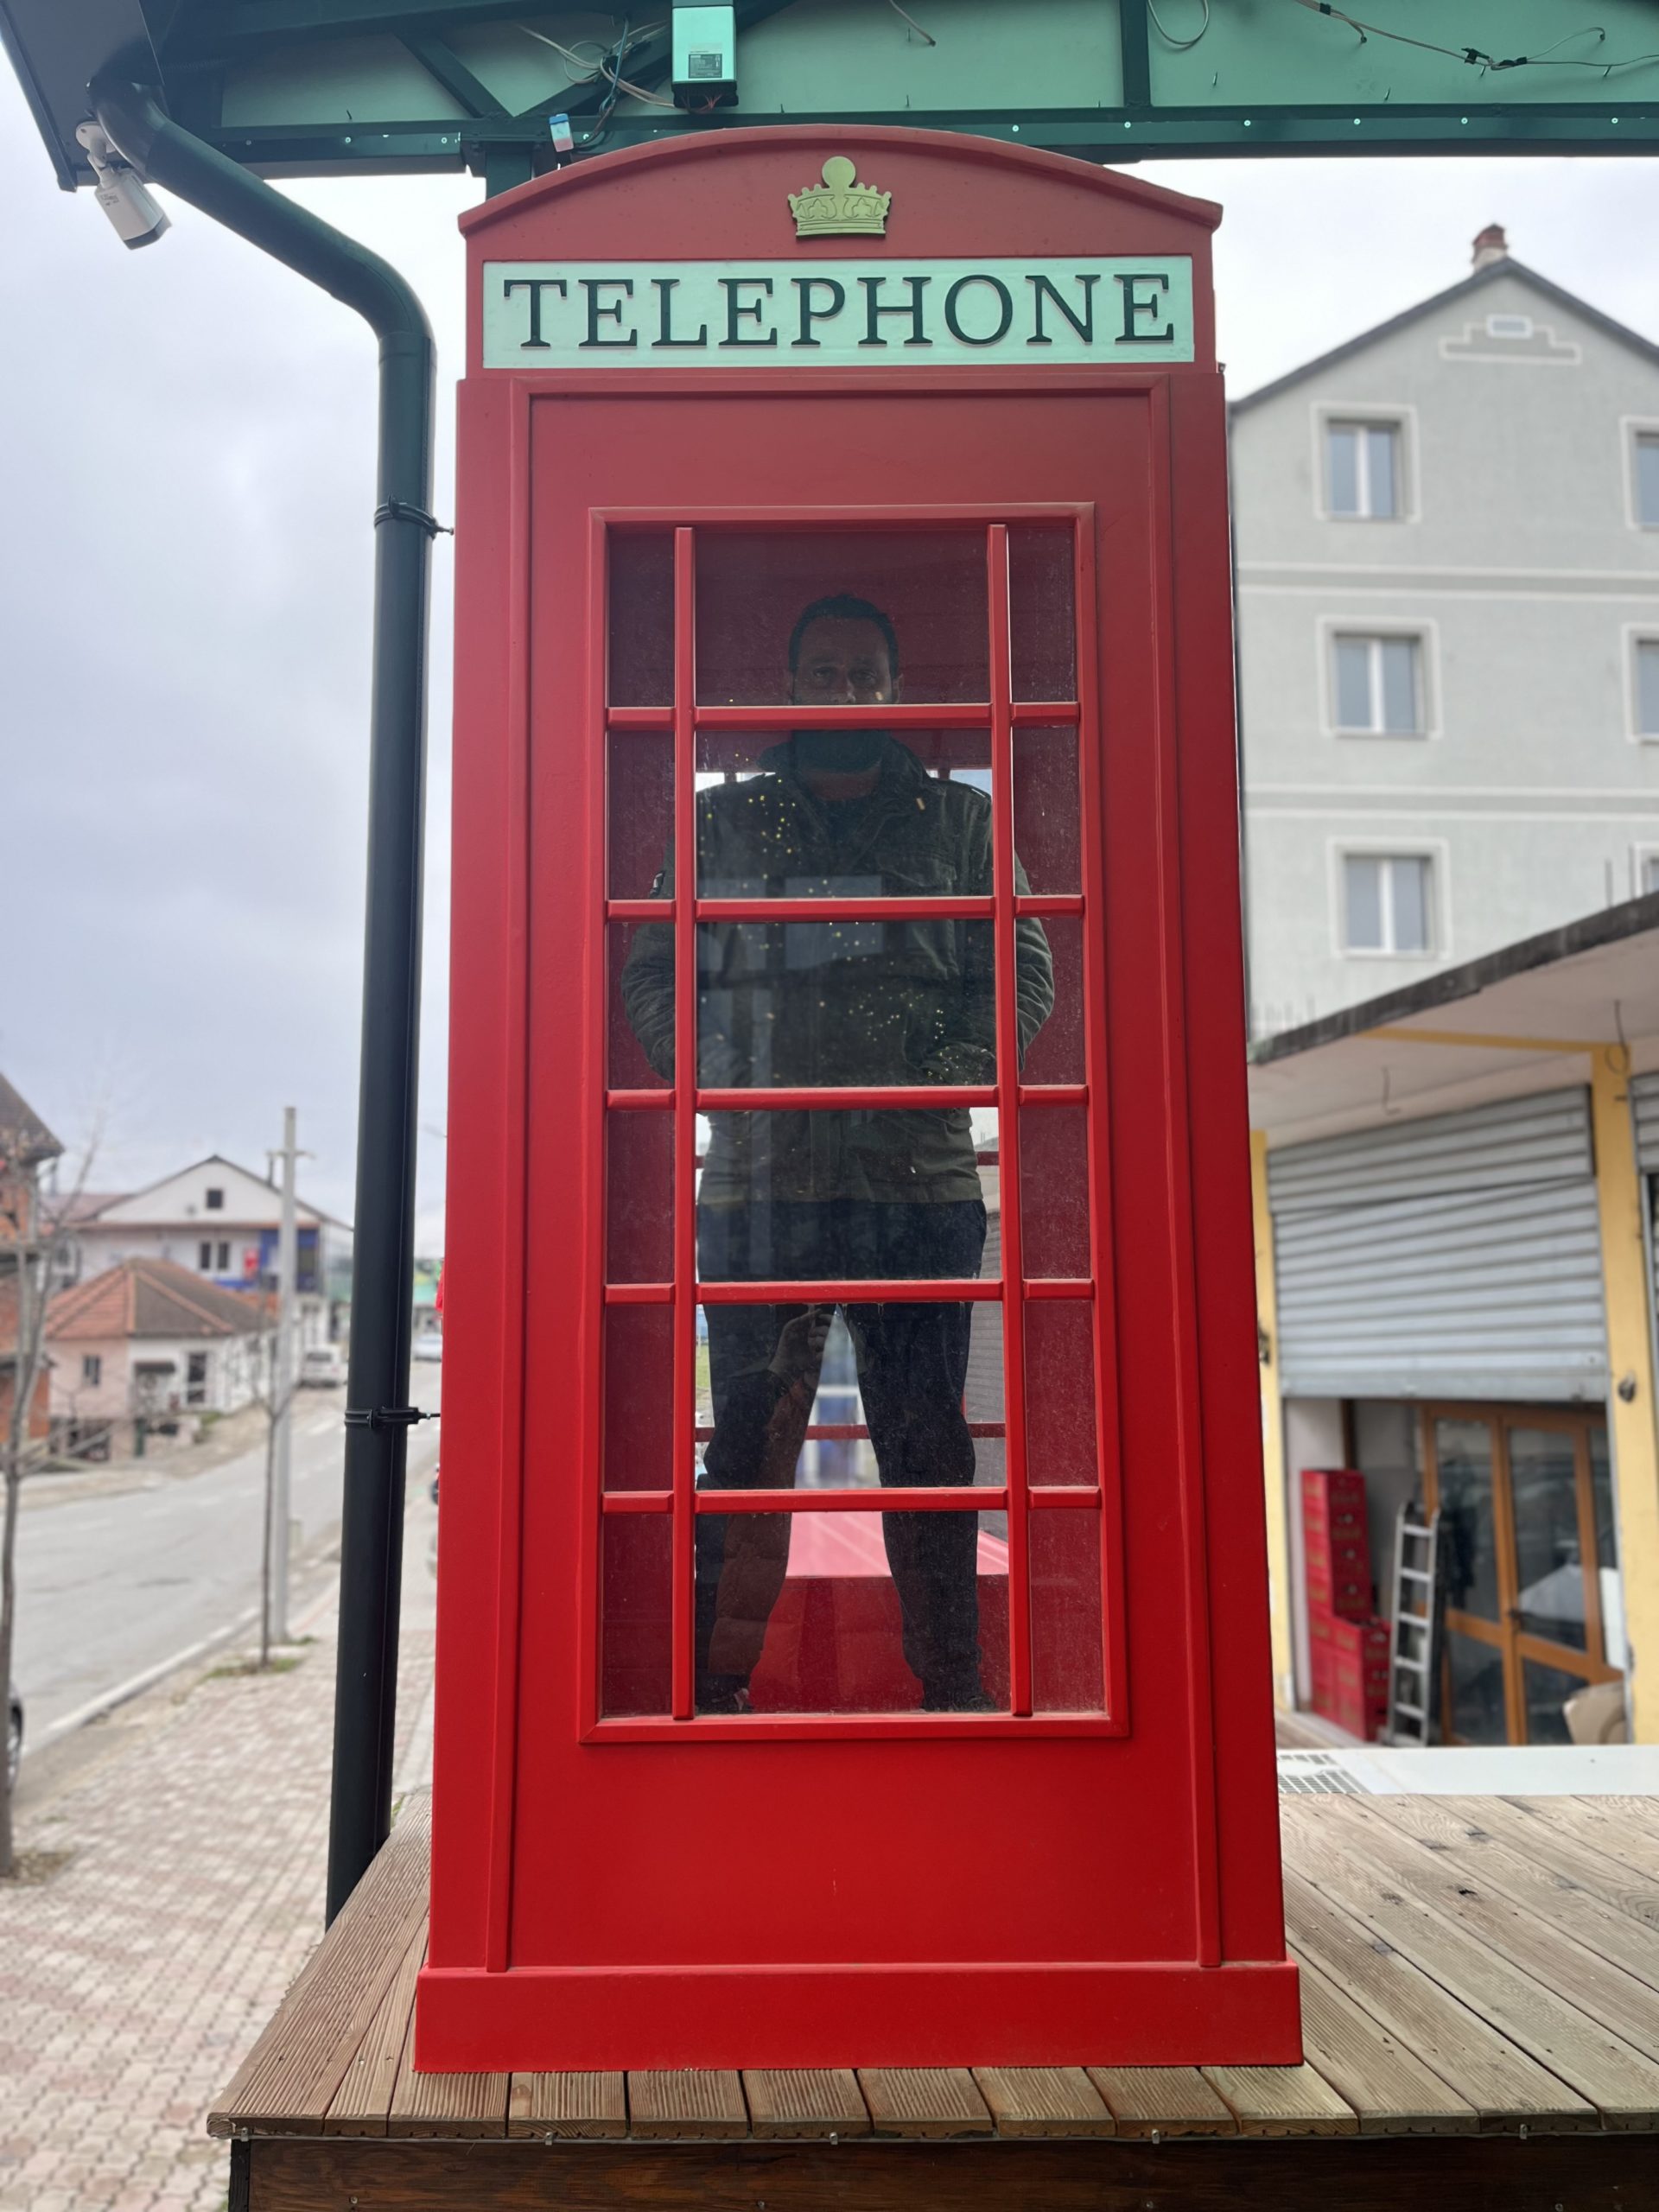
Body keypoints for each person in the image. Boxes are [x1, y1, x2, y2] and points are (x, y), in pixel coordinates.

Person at [620, 592, 1053, 1712]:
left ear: (895, 688)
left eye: (865, 672)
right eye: (825, 671)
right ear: (792, 685)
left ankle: (952, 1690)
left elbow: (1025, 969)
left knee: (930, 1449)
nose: (846, 690)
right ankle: (712, 1689)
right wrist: (725, 1073)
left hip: (917, 1186)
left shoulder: (962, 823)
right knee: (745, 1453)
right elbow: (652, 968)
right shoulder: (719, 824)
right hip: (764, 1184)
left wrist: (941, 1081)